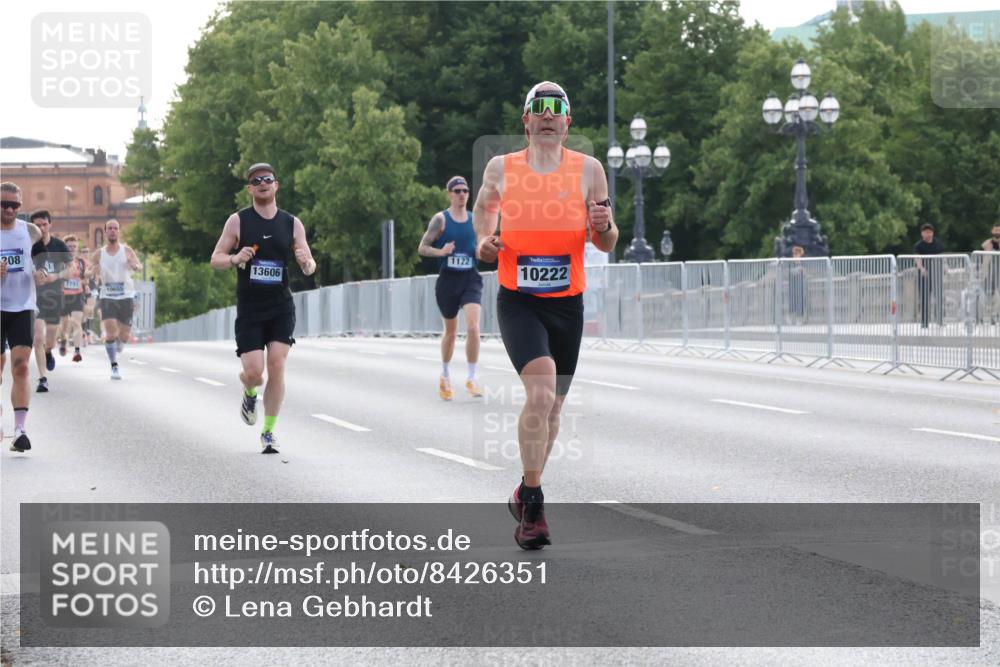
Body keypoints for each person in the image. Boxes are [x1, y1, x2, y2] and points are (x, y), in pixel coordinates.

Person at [472, 82, 618, 549]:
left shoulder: (589, 170)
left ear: (568, 122)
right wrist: (485, 241)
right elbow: (482, 212)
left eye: (559, 109)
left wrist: (605, 226)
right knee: (540, 392)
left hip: (566, 304)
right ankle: (533, 504)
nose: (550, 115)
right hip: (519, 299)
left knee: (552, 409)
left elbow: (607, 240)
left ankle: (525, 486)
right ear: (527, 120)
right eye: (541, 108)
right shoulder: (502, 168)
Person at [210, 163, 316, 454]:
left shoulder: (292, 223)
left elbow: (308, 262)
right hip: (251, 308)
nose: (263, 183)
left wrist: (307, 263)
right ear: (250, 189)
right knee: (255, 372)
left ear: (276, 185)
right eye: (256, 181)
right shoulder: (238, 222)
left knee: (277, 365)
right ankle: (249, 391)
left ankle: (268, 432)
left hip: (281, 305)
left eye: (267, 179)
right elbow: (216, 258)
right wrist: (233, 259)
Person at [417, 176, 483, 400]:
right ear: (449, 194)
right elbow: (423, 248)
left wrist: (482, 250)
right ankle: (445, 374)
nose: (462, 194)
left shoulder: (475, 221)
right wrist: (441, 251)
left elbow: (481, 246)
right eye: (457, 191)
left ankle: (472, 377)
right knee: (451, 332)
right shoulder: (440, 220)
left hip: (470, 278)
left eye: (465, 190)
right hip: (448, 280)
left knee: (473, 328)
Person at [1, 182, 42, 452]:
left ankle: (19, 431)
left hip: (23, 306)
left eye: (14, 205)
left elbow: (36, 258)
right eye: (4, 204)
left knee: (22, 367)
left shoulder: (31, 231)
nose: (9, 209)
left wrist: (40, 272)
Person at [89, 219, 143, 380]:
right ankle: (114, 366)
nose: (113, 231)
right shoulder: (99, 253)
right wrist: (92, 271)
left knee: (124, 335)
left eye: (115, 228)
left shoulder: (127, 251)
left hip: (126, 295)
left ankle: (118, 345)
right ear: (105, 232)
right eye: (110, 228)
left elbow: (139, 266)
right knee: (111, 331)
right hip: (108, 295)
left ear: (119, 231)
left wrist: (134, 265)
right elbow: (88, 272)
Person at [29, 210, 71, 392]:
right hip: (34, 297)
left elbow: (71, 270)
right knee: (37, 338)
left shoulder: (59, 245)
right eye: (37, 225)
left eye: (44, 224)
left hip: (54, 298)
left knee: (50, 340)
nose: (41, 228)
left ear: (50, 225)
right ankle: (42, 378)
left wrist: (56, 276)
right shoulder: (29, 246)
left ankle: (48, 351)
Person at [57, 235, 90, 362]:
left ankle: (77, 351)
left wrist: (86, 285)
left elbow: (84, 278)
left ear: (77, 248)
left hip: (77, 295)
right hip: (63, 296)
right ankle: (63, 340)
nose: (72, 249)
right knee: (64, 325)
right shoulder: (59, 262)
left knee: (77, 322)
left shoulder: (82, 262)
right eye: (69, 246)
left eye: (74, 246)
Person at [914, 223, 944, 328]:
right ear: (922, 233)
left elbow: (942, 256)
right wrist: (921, 268)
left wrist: (945, 267)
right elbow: (917, 258)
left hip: (937, 272)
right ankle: (925, 322)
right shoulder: (919, 245)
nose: (928, 234)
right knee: (925, 298)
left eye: (930, 232)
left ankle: (939, 321)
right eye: (926, 232)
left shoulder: (938, 243)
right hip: (925, 274)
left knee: (939, 297)